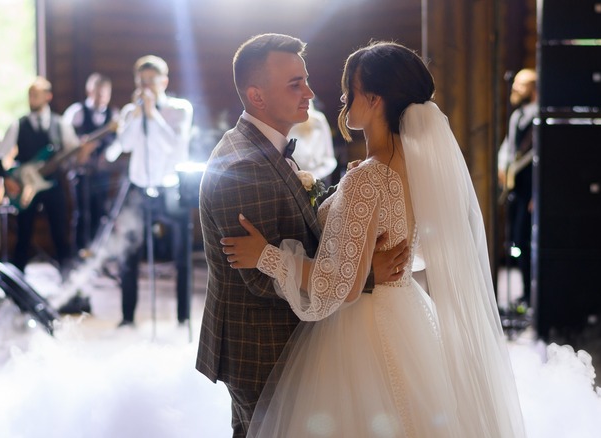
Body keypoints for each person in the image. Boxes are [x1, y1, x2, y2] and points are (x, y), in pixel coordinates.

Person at [222, 41, 526, 437]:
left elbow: (341, 287)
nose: (343, 97)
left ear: (375, 99)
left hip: (363, 331)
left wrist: (265, 255)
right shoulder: (412, 169)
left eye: (351, 88)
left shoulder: (368, 177)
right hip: (406, 311)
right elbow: (412, 255)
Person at [195, 34, 408, 438]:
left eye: (305, 79)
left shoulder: (268, 146)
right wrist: (365, 274)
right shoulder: (244, 165)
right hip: (262, 347)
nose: (310, 91)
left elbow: (300, 223)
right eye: (295, 83)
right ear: (256, 96)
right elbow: (260, 277)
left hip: (288, 340)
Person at [105, 55, 194, 326]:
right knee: (128, 254)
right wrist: (135, 116)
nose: (145, 87)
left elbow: (175, 146)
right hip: (138, 189)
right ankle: (128, 316)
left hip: (171, 189)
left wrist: (153, 113)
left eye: (151, 81)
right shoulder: (131, 111)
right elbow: (124, 145)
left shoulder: (180, 110)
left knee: (182, 256)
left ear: (163, 81)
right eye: (141, 81)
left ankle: (183, 317)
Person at [0, 76, 88, 274]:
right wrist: (8, 178)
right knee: (23, 235)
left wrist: (82, 151)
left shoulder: (60, 125)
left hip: (52, 185)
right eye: (30, 95)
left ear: (48, 96)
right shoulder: (18, 125)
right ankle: (17, 283)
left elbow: (73, 155)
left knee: (60, 233)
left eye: (36, 95)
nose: (32, 99)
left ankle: (68, 282)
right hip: (25, 187)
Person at [63, 72, 120, 256]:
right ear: (90, 91)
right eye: (98, 92)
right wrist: (80, 150)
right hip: (80, 172)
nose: (102, 97)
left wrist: (108, 155)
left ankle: (96, 254)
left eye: (105, 93)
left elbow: (119, 142)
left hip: (102, 174)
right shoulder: (76, 112)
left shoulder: (114, 115)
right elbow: (64, 141)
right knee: (82, 214)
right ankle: (78, 254)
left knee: (100, 212)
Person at [498, 68, 538, 310]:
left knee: (527, 240)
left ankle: (532, 294)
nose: (514, 90)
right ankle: (524, 292)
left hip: (531, 190)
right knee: (517, 241)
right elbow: (510, 148)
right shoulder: (517, 116)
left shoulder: (538, 119)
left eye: (520, 86)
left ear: (533, 89)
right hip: (517, 188)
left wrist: (537, 194)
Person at [286, 99, 338, 183]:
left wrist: (313, 177)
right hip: (292, 182)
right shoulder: (284, 123)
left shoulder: (318, 120)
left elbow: (330, 160)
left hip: (318, 181)